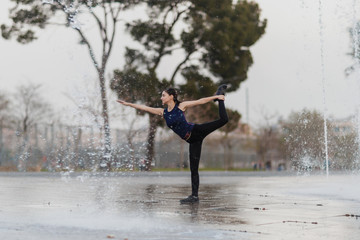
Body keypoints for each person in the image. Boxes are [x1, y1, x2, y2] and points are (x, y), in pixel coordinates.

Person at [117, 85, 228, 204]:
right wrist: (128, 104)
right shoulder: (163, 112)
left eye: (163, 95)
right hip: (192, 141)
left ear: (171, 96)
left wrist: (216, 96)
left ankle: (220, 97)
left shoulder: (181, 106)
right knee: (193, 169)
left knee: (224, 120)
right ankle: (194, 197)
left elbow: (200, 101)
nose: (161, 98)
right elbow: (145, 108)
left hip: (197, 131)